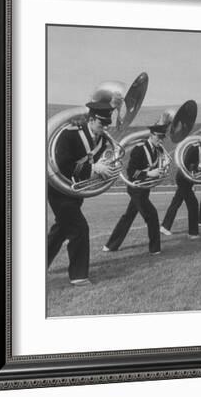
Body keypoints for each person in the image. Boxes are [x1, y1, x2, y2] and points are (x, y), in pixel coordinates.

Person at [47, 93, 120, 287]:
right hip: (57, 190)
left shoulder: (102, 141)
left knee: (61, 230)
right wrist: (94, 168)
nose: (105, 128)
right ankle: (78, 276)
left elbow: (96, 162)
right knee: (79, 228)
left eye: (107, 125)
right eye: (102, 124)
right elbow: (61, 164)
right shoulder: (70, 133)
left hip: (74, 192)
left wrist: (104, 167)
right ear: (92, 119)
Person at [102, 122, 167, 255]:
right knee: (152, 215)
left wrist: (161, 169)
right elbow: (131, 171)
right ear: (152, 135)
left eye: (162, 138)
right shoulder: (140, 148)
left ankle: (110, 246)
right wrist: (148, 173)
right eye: (159, 137)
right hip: (135, 187)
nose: (160, 140)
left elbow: (158, 164)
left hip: (144, 188)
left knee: (128, 217)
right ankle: (155, 249)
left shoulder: (158, 149)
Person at [160, 134, 201, 239]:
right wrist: (199, 166)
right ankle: (193, 233)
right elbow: (186, 163)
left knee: (176, 202)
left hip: (188, 180)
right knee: (193, 204)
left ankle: (165, 226)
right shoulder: (195, 148)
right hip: (183, 178)